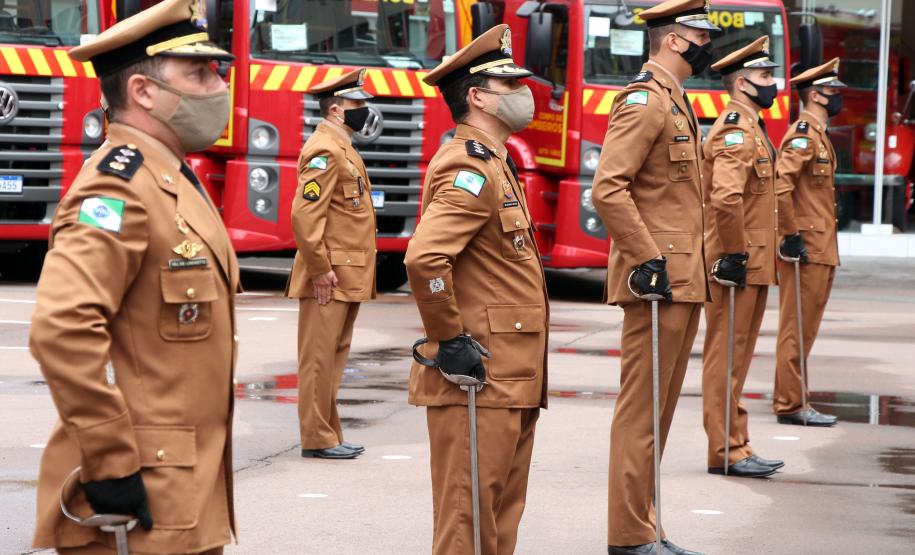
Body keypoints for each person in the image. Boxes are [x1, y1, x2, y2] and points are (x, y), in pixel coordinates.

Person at [30, 0, 238, 552]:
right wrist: (111, 464)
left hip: (183, 493)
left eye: (215, 70)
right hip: (135, 497)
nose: (218, 86)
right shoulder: (117, 186)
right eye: (198, 73)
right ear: (144, 93)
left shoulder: (171, 176)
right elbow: (62, 330)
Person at [405, 24, 549, 554]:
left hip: (509, 373)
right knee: (468, 519)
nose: (525, 94)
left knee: (497, 517)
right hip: (478, 373)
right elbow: (425, 257)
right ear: (478, 96)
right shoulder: (470, 163)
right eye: (511, 85)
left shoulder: (494, 160)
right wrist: (450, 338)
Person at [590, 0, 718, 552]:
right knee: (642, 411)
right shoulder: (645, 101)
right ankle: (628, 533)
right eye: (698, 33)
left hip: (681, 275)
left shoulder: (674, 98)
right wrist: (647, 260)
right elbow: (608, 187)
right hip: (658, 278)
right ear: (673, 40)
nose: (706, 43)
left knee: (658, 413)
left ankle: (646, 525)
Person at [700, 36, 786, 478]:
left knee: (738, 358)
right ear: (741, 83)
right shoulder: (736, 127)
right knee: (727, 358)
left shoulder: (751, 126)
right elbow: (727, 197)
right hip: (737, 263)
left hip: (752, 263)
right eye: (765, 76)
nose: (774, 83)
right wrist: (732, 254)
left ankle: (738, 443)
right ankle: (726, 450)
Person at [286, 68, 377, 460]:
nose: (365, 110)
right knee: (319, 361)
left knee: (333, 356)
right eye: (358, 104)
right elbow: (305, 218)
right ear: (337, 110)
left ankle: (328, 432)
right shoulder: (325, 149)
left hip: (343, 272)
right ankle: (317, 437)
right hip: (330, 274)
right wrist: (321, 269)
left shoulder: (341, 146)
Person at [772, 58, 846, 427]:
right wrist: (789, 236)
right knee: (796, 329)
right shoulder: (803, 134)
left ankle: (793, 397)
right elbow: (780, 186)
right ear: (815, 95)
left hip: (820, 248)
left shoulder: (816, 133)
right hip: (806, 248)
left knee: (805, 329)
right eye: (832, 91)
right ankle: (790, 403)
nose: (836, 98)